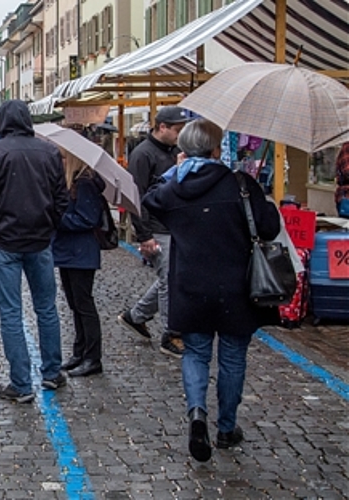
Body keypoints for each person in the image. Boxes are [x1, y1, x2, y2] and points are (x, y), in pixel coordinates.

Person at [142, 119, 280, 462]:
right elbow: (270, 228)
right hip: (236, 286)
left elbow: (150, 200)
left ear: (183, 151)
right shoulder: (241, 184)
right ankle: (226, 428)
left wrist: (176, 172)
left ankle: (197, 415)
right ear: (218, 149)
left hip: (191, 284)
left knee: (195, 353)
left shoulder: (174, 188)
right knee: (233, 357)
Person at [0, 99, 69, 403]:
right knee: (46, 308)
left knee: (11, 313)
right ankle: (52, 372)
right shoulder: (50, 152)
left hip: (6, 241)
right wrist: (49, 225)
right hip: (39, 240)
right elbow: (61, 198)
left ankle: (22, 383)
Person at [117, 106, 191, 358]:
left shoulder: (174, 153)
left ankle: (135, 315)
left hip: (173, 225)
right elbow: (135, 196)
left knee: (169, 278)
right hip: (157, 228)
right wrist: (144, 234)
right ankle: (171, 334)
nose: (180, 135)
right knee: (170, 281)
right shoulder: (142, 154)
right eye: (177, 130)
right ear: (162, 127)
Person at [52, 151, 106, 378]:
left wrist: (58, 218)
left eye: (64, 158)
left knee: (84, 304)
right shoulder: (73, 182)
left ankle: (92, 357)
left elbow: (87, 219)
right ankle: (80, 351)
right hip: (70, 251)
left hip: (80, 252)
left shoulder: (84, 183)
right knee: (75, 303)